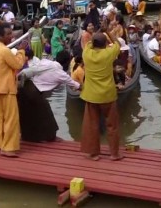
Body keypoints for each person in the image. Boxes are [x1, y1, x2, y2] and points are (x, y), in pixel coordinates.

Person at [80, 28, 123, 161]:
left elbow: (89, 43)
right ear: (105, 44)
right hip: (107, 94)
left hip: (91, 95)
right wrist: (107, 31)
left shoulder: (86, 53)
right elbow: (118, 44)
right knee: (112, 125)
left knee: (92, 125)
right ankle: (114, 154)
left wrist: (98, 31)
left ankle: (93, 154)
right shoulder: (108, 53)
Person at [20, 49, 79, 142]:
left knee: (28, 114)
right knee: (46, 114)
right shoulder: (61, 74)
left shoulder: (46, 62)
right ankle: (49, 137)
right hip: (33, 91)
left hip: (26, 87)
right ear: (67, 62)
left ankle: (29, 137)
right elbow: (76, 85)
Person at [0, 23, 27, 157]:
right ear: (0, 36)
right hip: (6, 88)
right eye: (8, 34)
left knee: (1, 117)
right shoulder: (4, 50)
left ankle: (0, 144)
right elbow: (17, 64)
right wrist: (21, 51)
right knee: (11, 118)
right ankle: (8, 148)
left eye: (11, 33)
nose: (11, 36)